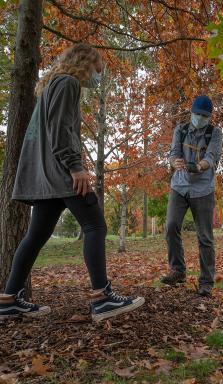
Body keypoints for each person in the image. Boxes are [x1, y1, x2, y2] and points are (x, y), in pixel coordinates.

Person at [0, 44, 144, 322]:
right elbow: (60, 130)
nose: (98, 76)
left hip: (44, 178)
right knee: (95, 225)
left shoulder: (50, 86)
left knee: (36, 235)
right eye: (98, 69)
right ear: (85, 63)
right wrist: (76, 167)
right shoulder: (67, 83)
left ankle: (8, 299)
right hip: (61, 174)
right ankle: (101, 298)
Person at [161, 96, 223, 297]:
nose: (200, 118)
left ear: (209, 117)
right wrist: (175, 163)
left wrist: (199, 166)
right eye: (197, 114)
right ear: (192, 112)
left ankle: (206, 281)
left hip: (203, 189)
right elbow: (173, 153)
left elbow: (211, 157)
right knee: (171, 226)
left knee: (205, 236)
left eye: (204, 116)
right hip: (179, 186)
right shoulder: (181, 129)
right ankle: (178, 270)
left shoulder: (215, 133)